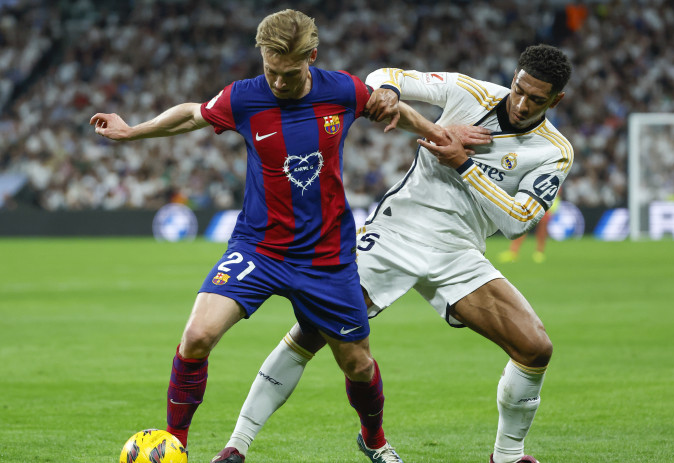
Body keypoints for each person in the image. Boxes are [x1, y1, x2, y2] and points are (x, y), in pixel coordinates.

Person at [215, 44, 572, 463]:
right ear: (513, 78)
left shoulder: (553, 150)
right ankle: (236, 445)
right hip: (394, 234)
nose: (521, 103)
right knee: (311, 331)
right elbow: (385, 76)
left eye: (536, 99)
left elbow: (517, 222)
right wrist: (391, 97)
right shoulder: (468, 92)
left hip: (459, 253)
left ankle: (508, 456)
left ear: (556, 100)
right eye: (519, 90)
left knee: (535, 348)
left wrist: (463, 162)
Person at [89, 9, 414, 463]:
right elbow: (191, 115)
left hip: (326, 257)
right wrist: (132, 132)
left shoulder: (342, 90)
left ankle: (375, 441)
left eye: (288, 73)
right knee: (198, 334)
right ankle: (174, 443)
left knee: (358, 365)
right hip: (258, 247)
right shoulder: (245, 98)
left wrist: (440, 134)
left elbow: (392, 107)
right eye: (270, 70)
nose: (277, 82)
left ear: (311, 58)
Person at [499, 192, 560, 263]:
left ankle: (539, 252)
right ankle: (513, 252)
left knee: (542, 225)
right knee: (524, 223)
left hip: (548, 199)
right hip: (533, 199)